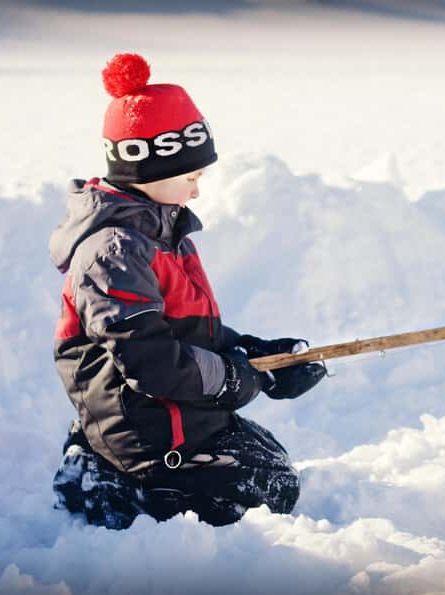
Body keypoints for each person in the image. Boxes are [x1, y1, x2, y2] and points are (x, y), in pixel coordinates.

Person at [48, 53, 326, 529]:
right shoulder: (113, 251)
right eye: (191, 178)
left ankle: (114, 460)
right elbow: (152, 361)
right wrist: (235, 379)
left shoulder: (161, 233)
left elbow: (183, 328)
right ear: (148, 167)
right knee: (265, 492)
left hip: (167, 407)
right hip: (142, 420)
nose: (197, 192)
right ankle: (114, 479)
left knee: (273, 465)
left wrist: (252, 355)